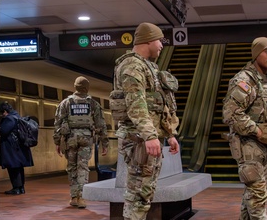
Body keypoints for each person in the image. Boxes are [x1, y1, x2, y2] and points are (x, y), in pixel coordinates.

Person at [111, 22, 180, 220]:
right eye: (159, 40)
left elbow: (158, 105)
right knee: (139, 192)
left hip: (145, 136)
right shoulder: (132, 65)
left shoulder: (148, 66)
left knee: (144, 191)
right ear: (148, 40)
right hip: (139, 138)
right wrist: (150, 135)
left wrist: (169, 133)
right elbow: (136, 103)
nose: (161, 45)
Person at [222, 37, 267, 220]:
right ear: (256, 54)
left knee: (254, 195)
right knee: (258, 197)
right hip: (249, 145)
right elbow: (231, 113)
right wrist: (257, 131)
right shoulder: (244, 80)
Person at [53, 76, 109, 209]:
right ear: (86, 88)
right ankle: (81, 197)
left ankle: (73, 197)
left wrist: (57, 141)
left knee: (72, 167)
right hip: (86, 138)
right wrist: (104, 143)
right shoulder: (93, 104)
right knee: (82, 167)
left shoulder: (66, 103)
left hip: (70, 138)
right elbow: (100, 124)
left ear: (75, 87)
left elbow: (57, 123)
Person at [0, 102, 34, 195]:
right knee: (18, 168)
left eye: (2, 113)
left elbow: (3, 131)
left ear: (5, 112)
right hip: (19, 147)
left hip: (12, 148)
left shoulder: (9, 119)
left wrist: (0, 123)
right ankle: (21, 188)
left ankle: (16, 188)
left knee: (13, 168)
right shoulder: (17, 116)